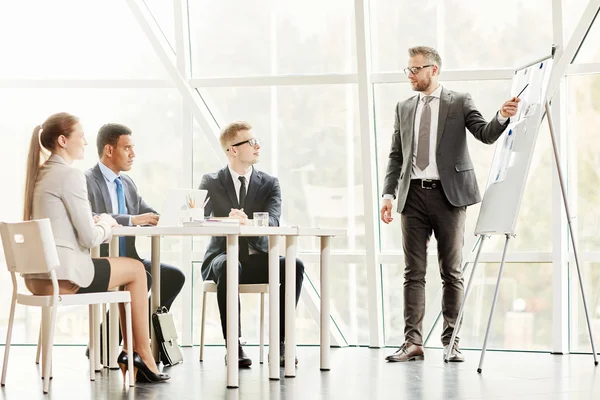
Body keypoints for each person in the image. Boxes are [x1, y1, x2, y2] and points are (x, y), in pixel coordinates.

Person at [381, 46, 520, 363]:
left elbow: (484, 134)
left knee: (451, 272)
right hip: (411, 195)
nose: (411, 75)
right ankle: (412, 343)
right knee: (413, 273)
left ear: (434, 70)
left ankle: (451, 341)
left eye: (416, 69)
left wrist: (501, 116)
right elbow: (396, 155)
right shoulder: (403, 107)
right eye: (409, 69)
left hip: (449, 195)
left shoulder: (459, 101)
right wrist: (388, 195)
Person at [22, 112, 169, 382]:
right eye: (81, 136)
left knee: (133, 271)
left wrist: (97, 222)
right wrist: (107, 222)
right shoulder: (70, 176)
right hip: (65, 277)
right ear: (63, 141)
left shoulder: (41, 174)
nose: (86, 142)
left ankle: (131, 351)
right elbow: (90, 238)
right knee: (137, 271)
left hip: (37, 279)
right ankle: (142, 355)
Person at [199, 121, 304, 368]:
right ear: (232, 149)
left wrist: (249, 224)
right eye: (251, 142)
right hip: (222, 258)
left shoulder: (270, 183)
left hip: (258, 257)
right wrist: (228, 220)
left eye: (257, 141)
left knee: (294, 265)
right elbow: (198, 218)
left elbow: (274, 220)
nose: (258, 146)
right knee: (229, 264)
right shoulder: (211, 181)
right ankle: (233, 345)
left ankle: (280, 343)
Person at [84, 123, 185, 312]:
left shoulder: (127, 183)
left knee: (174, 276)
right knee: (143, 276)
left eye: (133, 148)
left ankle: (140, 331)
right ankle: (120, 338)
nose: (133, 154)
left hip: (130, 258)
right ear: (109, 149)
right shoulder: (87, 180)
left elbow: (146, 213)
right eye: (127, 148)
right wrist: (131, 220)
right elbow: (90, 216)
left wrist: (168, 217)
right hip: (101, 258)